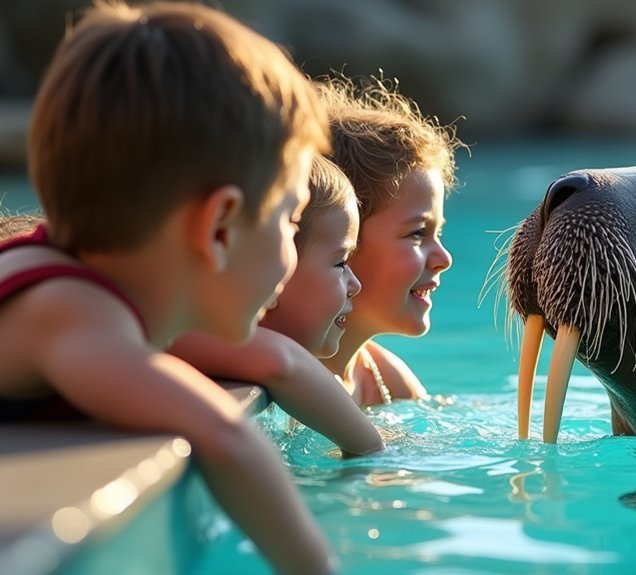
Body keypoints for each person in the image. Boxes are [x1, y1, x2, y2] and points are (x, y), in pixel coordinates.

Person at [0, 2, 336, 573]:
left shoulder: (79, 295)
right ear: (219, 228)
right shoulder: (73, 311)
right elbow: (224, 435)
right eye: (289, 220)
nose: (291, 250)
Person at [169, 155, 385, 454]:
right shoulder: (178, 332)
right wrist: (373, 450)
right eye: (341, 262)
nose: (355, 285)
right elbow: (283, 363)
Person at [315, 75, 464, 406]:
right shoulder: (274, 372)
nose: (443, 257)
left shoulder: (381, 376)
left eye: (437, 233)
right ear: (340, 240)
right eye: (417, 233)